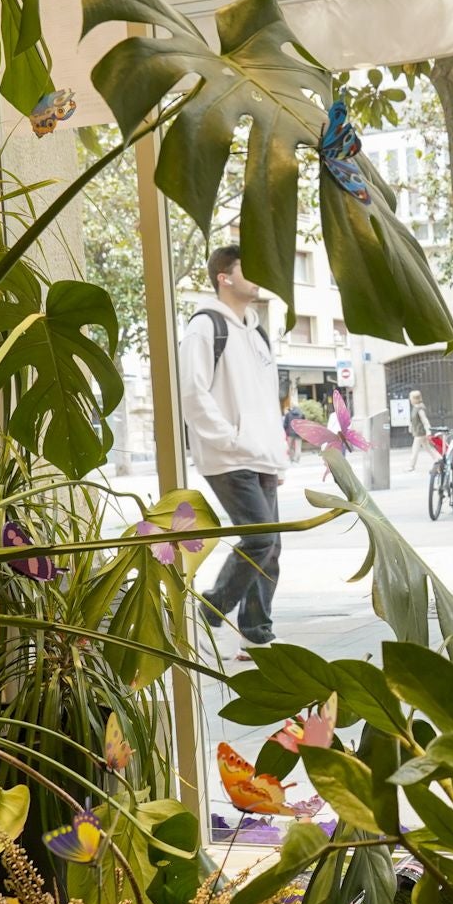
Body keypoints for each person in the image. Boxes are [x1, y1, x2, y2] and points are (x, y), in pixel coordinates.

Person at [179, 245, 288, 660]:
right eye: (249, 268)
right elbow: (193, 392)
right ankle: (210, 609)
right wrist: (230, 440)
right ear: (224, 277)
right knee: (261, 538)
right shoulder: (205, 327)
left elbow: (264, 399)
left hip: (260, 454)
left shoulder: (257, 333)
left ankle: (256, 635)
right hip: (228, 455)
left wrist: (275, 455)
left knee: (272, 545)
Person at [407, 389, 436, 471]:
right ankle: (438, 459)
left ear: (415, 399)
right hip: (418, 431)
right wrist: (411, 427)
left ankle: (411, 466)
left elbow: (424, 420)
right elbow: (413, 420)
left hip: (420, 432)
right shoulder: (416, 408)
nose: (410, 399)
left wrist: (428, 431)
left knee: (415, 449)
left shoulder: (419, 408)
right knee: (428, 448)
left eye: (411, 398)